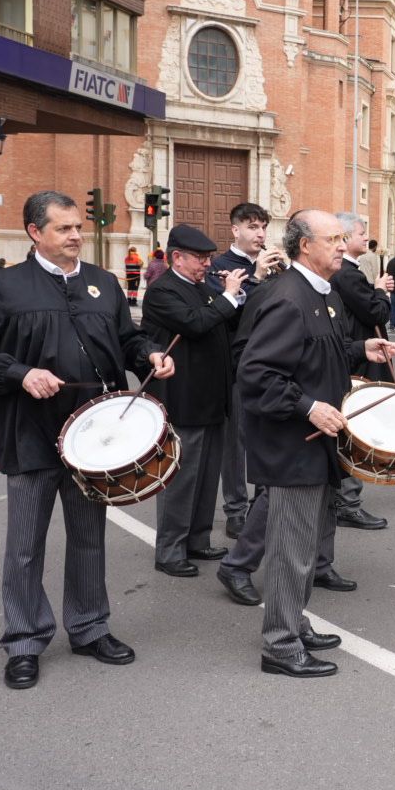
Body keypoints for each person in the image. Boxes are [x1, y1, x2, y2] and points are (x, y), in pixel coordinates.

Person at [0, 191, 175, 690]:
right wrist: (19, 372)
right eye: (63, 229)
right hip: (30, 434)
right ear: (34, 233)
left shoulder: (104, 284)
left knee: (89, 538)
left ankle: (90, 627)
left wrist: (150, 355)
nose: (75, 236)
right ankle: (24, 639)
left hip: (96, 439)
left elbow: (128, 341)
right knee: (25, 545)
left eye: (77, 228)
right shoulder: (6, 287)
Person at [236, 210, 395, 678]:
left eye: (343, 238)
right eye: (333, 239)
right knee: (290, 548)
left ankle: (295, 622)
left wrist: (359, 350)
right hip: (293, 445)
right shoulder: (288, 297)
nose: (343, 247)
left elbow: (312, 354)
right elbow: (257, 374)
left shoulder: (318, 294)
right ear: (305, 245)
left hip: (317, 443)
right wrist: (308, 406)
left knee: (305, 545)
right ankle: (280, 646)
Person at [140, 224, 245, 576]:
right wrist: (227, 297)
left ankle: (197, 539)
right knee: (180, 480)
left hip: (212, 399)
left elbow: (225, 323)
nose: (206, 264)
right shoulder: (163, 291)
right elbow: (197, 324)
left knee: (206, 476)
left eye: (208, 258)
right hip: (183, 400)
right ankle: (170, 550)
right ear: (176, 258)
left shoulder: (202, 288)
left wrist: (240, 292)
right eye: (200, 258)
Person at [209, 202, 284, 541]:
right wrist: (255, 278)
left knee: (266, 437)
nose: (260, 233)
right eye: (252, 226)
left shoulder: (271, 265)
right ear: (235, 230)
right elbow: (231, 313)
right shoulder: (220, 267)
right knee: (237, 443)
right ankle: (236, 510)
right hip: (236, 366)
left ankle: (262, 505)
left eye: (263, 227)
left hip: (271, 364)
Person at [326, 211, 393, 551]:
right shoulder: (349, 276)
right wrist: (381, 291)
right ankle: (347, 503)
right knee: (353, 432)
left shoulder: (346, 274)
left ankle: (343, 500)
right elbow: (376, 312)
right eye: (360, 233)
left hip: (354, 354)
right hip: (357, 360)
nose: (365, 238)